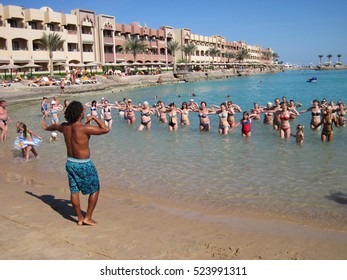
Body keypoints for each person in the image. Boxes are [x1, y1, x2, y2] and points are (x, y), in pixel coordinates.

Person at [40, 101, 110, 226]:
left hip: (70, 163)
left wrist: (45, 128)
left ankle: (79, 218)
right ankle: (87, 217)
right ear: (79, 113)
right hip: (84, 164)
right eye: (82, 110)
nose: (84, 112)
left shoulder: (64, 127)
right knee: (95, 189)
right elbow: (105, 129)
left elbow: (55, 126)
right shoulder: (84, 128)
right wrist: (94, 117)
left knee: (74, 190)